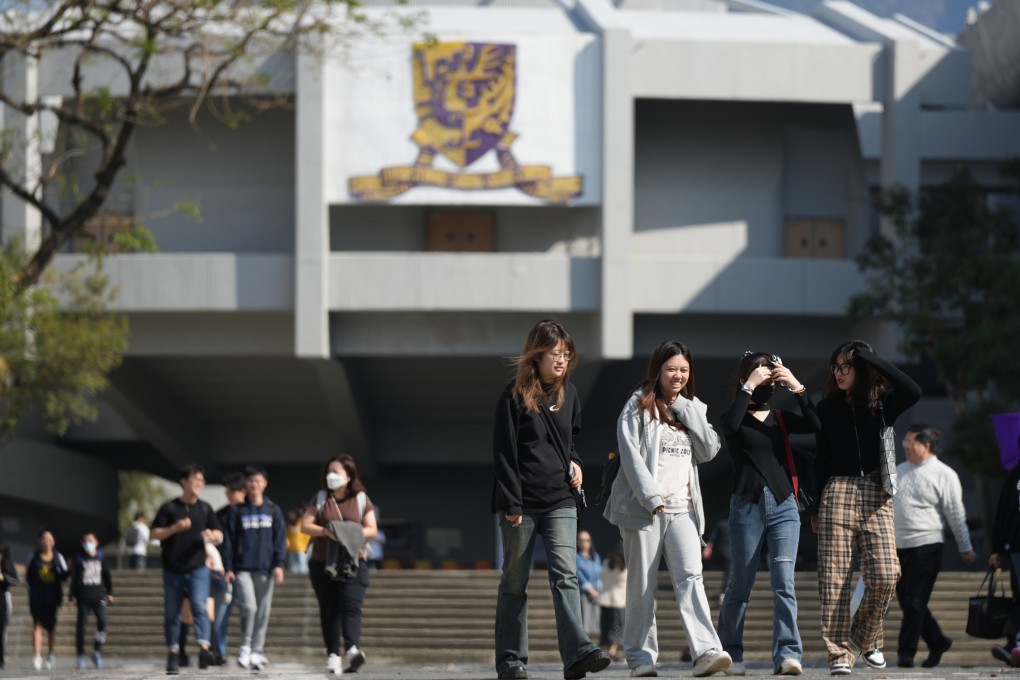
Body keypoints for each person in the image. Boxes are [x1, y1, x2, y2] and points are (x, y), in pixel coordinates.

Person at [604, 340, 732, 678]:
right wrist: (651, 497)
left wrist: (689, 411)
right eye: (671, 369)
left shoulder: (692, 408)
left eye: (684, 370)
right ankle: (641, 659)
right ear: (658, 370)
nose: (678, 375)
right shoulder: (637, 405)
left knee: (691, 577)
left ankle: (705, 651)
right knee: (642, 585)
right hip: (644, 509)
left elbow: (709, 450)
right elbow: (630, 456)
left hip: (684, 510)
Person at [492, 319, 611, 680]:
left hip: (561, 498)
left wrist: (575, 463)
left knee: (566, 576)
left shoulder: (569, 394)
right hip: (521, 503)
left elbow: (568, 442)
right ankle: (511, 659)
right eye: (554, 353)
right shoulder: (511, 397)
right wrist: (512, 503)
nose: (561, 360)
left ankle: (577, 653)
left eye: (566, 354)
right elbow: (504, 455)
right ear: (537, 354)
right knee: (515, 581)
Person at [813, 340, 921, 675]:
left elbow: (913, 390)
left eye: (846, 366)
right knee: (834, 581)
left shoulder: (884, 403)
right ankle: (838, 655)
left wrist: (873, 358)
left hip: (877, 490)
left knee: (887, 575)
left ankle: (863, 635)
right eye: (836, 366)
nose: (839, 372)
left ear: (862, 368)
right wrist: (815, 506)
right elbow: (820, 459)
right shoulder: (827, 407)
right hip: (838, 490)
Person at [716, 351, 819, 677]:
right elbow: (730, 426)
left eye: (768, 372)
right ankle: (731, 651)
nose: (765, 377)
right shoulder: (734, 414)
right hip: (746, 506)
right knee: (740, 585)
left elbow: (817, 425)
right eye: (759, 371)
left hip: (784, 505)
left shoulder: (782, 416)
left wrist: (796, 387)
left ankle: (788, 653)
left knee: (783, 582)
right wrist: (748, 386)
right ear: (746, 376)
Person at [893, 423, 976, 668]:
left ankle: (905, 653)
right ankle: (937, 641)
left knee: (914, 601)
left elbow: (955, 513)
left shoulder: (944, 473)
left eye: (911, 443)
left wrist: (965, 547)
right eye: (905, 443)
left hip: (927, 545)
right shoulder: (899, 470)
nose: (906, 447)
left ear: (926, 445)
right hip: (898, 546)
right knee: (907, 601)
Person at [301, 454, 378, 675]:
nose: (331, 476)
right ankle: (333, 655)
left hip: (354, 561)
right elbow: (305, 526)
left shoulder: (361, 498)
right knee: (329, 609)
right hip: (322, 562)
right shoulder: (321, 498)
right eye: (329, 472)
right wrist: (327, 532)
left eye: (336, 472)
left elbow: (372, 529)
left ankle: (352, 650)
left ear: (349, 475)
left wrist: (347, 533)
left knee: (351, 605)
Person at [151, 463, 223, 675]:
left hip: (198, 568)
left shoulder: (205, 508)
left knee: (199, 607)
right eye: (195, 480)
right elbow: (153, 534)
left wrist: (213, 535)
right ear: (183, 482)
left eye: (202, 481)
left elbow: (219, 533)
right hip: (173, 569)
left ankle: (203, 648)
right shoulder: (169, 508)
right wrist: (174, 528)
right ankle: (173, 653)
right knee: (173, 612)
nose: (199, 484)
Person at [223, 465, 287, 671]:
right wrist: (228, 567)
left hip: (266, 569)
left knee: (262, 613)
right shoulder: (237, 511)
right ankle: (245, 646)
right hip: (242, 569)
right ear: (246, 485)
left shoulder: (273, 510)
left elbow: (280, 540)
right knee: (249, 607)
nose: (254, 484)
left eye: (257, 481)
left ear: (264, 484)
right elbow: (229, 542)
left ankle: (257, 651)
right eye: (250, 481)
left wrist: (279, 565)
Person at [989, 436, 1020, 667]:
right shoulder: (1015, 476)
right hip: (1017, 546)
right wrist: (997, 549)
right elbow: (1002, 514)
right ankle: (1015, 644)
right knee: (1018, 596)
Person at [212, 472, 246, 666]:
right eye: (227, 492)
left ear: (242, 492)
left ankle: (251, 650)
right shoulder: (221, 514)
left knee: (249, 613)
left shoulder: (250, 512)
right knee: (221, 615)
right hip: (224, 572)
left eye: (231, 491)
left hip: (247, 570)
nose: (228, 495)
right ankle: (219, 651)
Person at [25, 529, 69, 671]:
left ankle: (50, 655)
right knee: (37, 625)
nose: (47, 542)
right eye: (44, 539)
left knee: (51, 628)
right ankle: (37, 656)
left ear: (54, 542)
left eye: (50, 539)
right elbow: (27, 577)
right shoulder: (33, 556)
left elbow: (64, 575)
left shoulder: (58, 557)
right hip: (37, 598)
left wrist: (68, 571)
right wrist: (32, 592)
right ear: (40, 541)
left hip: (53, 598)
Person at [69, 532, 114, 670]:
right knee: (81, 627)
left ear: (96, 542)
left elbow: (107, 576)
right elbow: (75, 579)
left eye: (90, 540)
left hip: (98, 596)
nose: (88, 543)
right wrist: (71, 597)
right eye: (85, 541)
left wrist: (110, 593)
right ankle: (80, 656)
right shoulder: (79, 558)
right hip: (83, 597)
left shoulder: (101, 558)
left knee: (103, 622)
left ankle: (96, 651)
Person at [597, 541, 626, 663]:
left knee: (606, 627)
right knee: (618, 628)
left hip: (605, 599)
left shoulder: (606, 563)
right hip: (620, 601)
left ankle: (607, 651)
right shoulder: (625, 566)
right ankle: (613, 652)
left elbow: (602, 579)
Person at [577, 531, 602, 637]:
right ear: (577, 542)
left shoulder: (595, 557)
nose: (584, 543)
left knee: (597, 615)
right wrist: (589, 589)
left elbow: (601, 572)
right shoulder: (576, 557)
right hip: (584, 592)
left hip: (597, 591)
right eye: (581, 541)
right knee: (585, 616)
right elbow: (578, 573)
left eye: (587, 540)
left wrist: (597, 588)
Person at [0, 541, 19, 670]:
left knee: (2, 628)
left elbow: (16, 580)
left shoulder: (7, 563)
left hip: (3, 596)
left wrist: (4, 578)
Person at [286, 507, 311, 574]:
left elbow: (307, 536)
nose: (291, 517)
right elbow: (287, 536)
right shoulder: (290, 525)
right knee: (292, 567)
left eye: (292, 515)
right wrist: (287, 543)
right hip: (292, 549)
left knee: (303, 566)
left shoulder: (301, 522)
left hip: (302, 549)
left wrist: (307, 546)